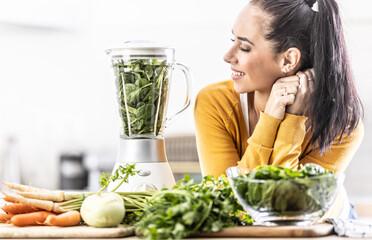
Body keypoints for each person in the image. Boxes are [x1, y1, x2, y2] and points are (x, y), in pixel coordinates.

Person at [194, 0, 364, 219]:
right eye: (232, 40)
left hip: (327, 225)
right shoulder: (214, 102)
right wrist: (270, 118)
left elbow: (293, 208)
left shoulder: (343, 124)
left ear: (288, 59)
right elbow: (227, 206)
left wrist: (292, 120)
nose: (227, 56)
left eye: (244, 47)